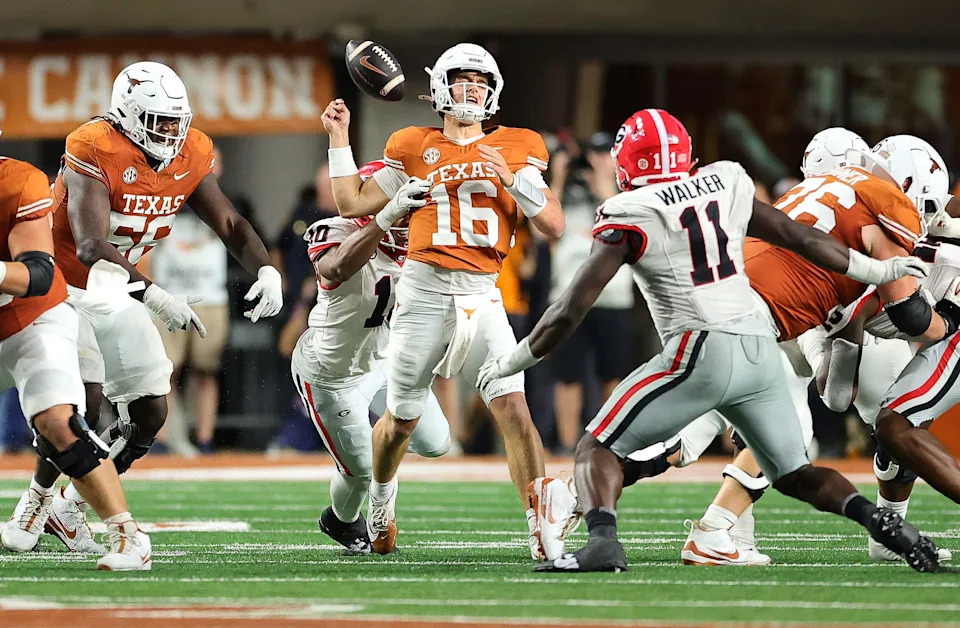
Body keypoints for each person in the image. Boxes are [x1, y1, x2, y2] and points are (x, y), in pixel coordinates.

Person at [478, 109, 940, 573]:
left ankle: (603, 539)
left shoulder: (627, 210)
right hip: (760, 344)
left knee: (596, 446)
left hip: (701, 345)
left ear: (625, 165)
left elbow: (568, 310)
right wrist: (877, 273)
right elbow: (800, 238)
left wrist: (510, 361)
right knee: (797, 473)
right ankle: (876, 521)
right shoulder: (727, 181)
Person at [5, 60, 283, 554]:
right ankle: (37, 499)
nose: (173, 133)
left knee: (152, 410)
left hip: (117, 289)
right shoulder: (93, 145)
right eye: (161, 122)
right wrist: (154, 293)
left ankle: (70, 507)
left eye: (178, 120)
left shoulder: (191, 150)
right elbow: (90, 244)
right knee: (82, 402)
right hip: (64, 288)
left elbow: (230, 223)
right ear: (128, 115)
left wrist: (266, 269)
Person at [671, 129, 959, 566]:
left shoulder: (903, 219)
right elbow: (837, 389)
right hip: (811, 316)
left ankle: (708, 510)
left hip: (776, 312)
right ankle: (718, 521)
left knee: (889, 428)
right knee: (782, 421)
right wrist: (852, 330)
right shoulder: (867, 223)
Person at [322, 42, 565, 558]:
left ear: (494, 89)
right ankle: (383, 502)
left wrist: (514, 182)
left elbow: (555, 227)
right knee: (402, 419)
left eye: (481, 79)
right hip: (425, 290)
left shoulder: (520, 145)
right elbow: (351, 202)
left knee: (515, 409)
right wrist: (339, 138)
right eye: (462, 78)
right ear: (439, 87)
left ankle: (539, 527)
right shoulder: (412, 144)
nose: (472, 87)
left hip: (485, 294)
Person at [0, 153, 150, 570]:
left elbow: (38, 273)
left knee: (60, 423)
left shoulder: (17, 181)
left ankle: (128, 537)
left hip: (28, 319)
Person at [814, 136, 960, 563]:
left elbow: (918, 322)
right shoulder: (854, 236)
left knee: (897, 425)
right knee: (892, 429)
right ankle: (888, 530)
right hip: (934, 324)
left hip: (949, 329)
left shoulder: (902, 239)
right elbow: (836, 394)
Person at [292, 160, 450, 553]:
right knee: (363, 471)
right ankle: (340, 521)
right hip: (331, 375)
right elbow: (339, 266)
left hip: (383, 361)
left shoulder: (422, 247)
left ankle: (380, 443)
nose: (405, 220)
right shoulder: (334, 231)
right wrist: (384, 217)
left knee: (436, 442)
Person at [547, 132, 636, 453]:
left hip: (613, 297)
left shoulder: (626, 192)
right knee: (568, 375)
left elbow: (624, 220)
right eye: (592, 154)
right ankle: (567, 443)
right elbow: (544, 229)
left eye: (605, 153)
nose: (597, 159)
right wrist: (557, 175)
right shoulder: (567, 193)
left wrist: (604, 181)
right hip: (569, 297)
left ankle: (608, 441)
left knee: (613, 372)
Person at [147, 146, 231, 455]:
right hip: (168, 295)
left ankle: (205, 438)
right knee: (166, 370)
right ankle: (164, 438)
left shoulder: (227, 202)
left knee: (206, 370)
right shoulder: (164, 194)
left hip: (211, 296)